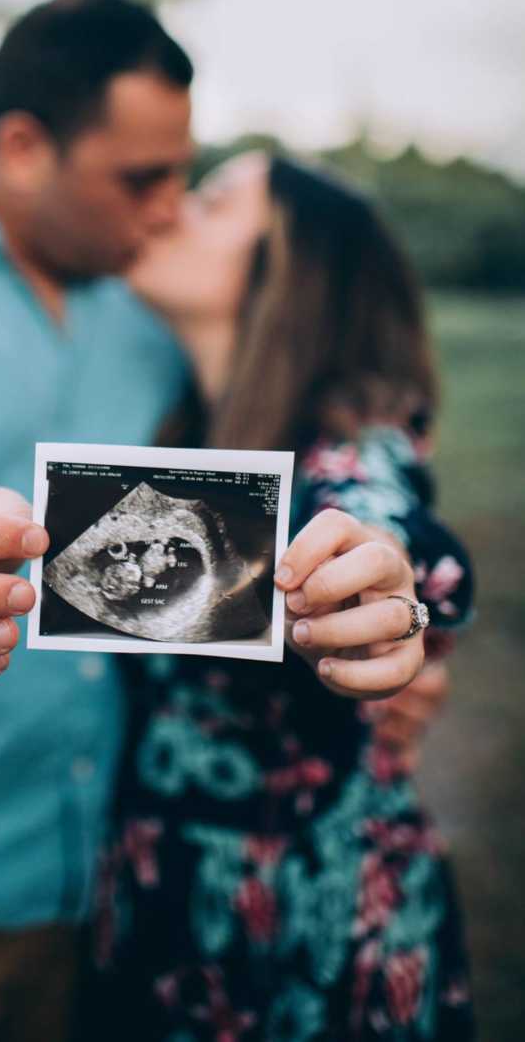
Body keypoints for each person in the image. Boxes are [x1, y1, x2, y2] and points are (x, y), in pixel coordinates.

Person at [0, 0, 440, 1042]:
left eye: (184, 176)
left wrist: (408, 617)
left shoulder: (145, 304)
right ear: (24, 147)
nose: (169, 206)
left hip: (103, 894)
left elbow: (327, 479)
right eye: (143, 178)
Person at [84, 152, 475, 1041]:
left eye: (215, 202)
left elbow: (377, 513)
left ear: (291, 274)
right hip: (163, 906)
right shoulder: (181, 436)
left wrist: (379, 575)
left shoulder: (349, 440)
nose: (175, 208)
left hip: (308, 928)